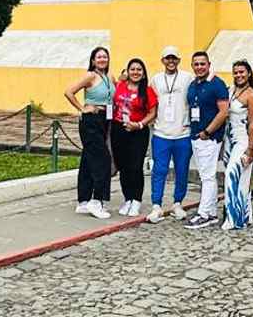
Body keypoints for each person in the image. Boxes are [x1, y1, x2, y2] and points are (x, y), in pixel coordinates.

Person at [64, 46, 115, 219]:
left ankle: (83, 201)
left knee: (88, 159)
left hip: (105, 120)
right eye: (99, 57)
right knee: (103, 160)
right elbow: (69, 92)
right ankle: (97, 200)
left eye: (105, 57)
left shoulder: (109, 77)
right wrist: (82, 108)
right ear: (93, 60)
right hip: (91, 120)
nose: (102, 59)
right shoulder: (90, 76)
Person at [184, 51, 229, 229]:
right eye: (196, 64)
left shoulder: (217, 84)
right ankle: (210, 212)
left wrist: (208, 131)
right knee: (206, 176)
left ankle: (204, 214)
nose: (199, 67)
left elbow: (224, 111)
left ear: (209, 64)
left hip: (209, 137)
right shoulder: (194, 84)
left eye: (203, 64)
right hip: (196, 135)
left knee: (208, 177)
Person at [148, 46, 192, 223]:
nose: (171, 61)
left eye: (174, 58)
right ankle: (156, 205)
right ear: (162, 61)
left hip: (183, 133)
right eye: (167, 58)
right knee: (159, 170)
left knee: (182, 170)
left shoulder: (187, 78)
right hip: (161, 133)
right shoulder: (156, 79)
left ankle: (177, 203)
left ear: (179, 60)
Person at [111, 58, 158, 217]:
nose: (135, 72)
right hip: (119, 129)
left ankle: (136, 200)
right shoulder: (120, 86)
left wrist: (139, 124)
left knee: (135, 166)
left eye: (139, 70)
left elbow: (153, 112)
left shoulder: (148, 90)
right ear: (127, 71)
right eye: (132, 69)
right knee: (123, 166)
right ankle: (127, 198)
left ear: (143, 73)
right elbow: (113, 102)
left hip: (138, 131)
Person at [222, 59, 253, 231]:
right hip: (229, 140)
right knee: (243, 180)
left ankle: (232, 218)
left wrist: (250, 150)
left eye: (242, 72)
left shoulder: (252, 95)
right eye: (236, 72)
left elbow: (252, 124)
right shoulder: (231, 91)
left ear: (249, 73)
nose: (238, 75)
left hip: (243, 141)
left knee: (231, 174)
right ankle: (245, 216)